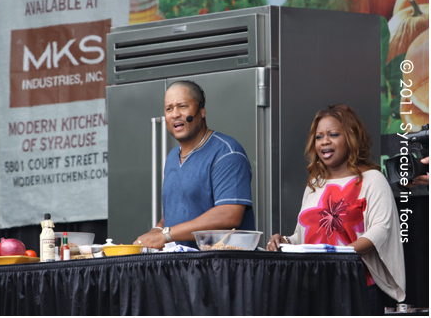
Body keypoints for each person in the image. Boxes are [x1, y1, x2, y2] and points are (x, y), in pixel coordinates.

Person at [266, 104, 405, 315]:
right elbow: (303, 236)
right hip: (313, 287)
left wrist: (340, 256)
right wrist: (284, 241)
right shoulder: (315, 183)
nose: (324, 141)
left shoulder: (372, 179)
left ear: (351, 138)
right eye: (319, 137)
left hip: (358, 287)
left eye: (333, 134)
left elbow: (380, 230)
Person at [134, 80, 255, 249]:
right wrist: (155, 231)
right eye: (169, 109)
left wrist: (165, 235)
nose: (175, 114)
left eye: (182, 106)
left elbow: (228, 215)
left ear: (201, 111)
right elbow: (175, 215)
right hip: (181, 266)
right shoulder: (171, 157)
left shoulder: (227, 152)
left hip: (220, 268)